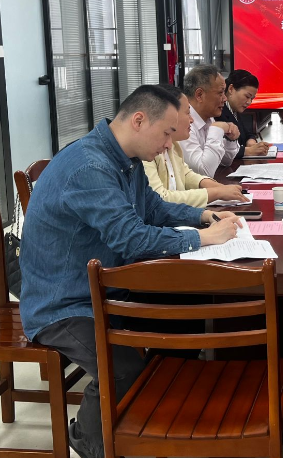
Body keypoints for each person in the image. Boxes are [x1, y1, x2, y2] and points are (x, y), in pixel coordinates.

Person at [19, 85, 242, 458]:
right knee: (121, 367)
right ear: (139, 120)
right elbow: (131, 238)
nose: (169, 145)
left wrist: (202, 215)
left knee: (185, 310)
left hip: (106, 288)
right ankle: (88, 441)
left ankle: (164, 412)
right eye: (167, 133)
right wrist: (202, 238)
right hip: (63, 305)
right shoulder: (90, 166)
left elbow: (151, 208)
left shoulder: (125, 158)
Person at [144, 85, 251, 207]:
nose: (192, 120)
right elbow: (160, 199)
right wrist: (216, 193)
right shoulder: (146, 151)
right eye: (188, 113)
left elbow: (185, 174)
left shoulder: (173, 144)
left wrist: (219, 187)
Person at [178, 64, 240, 177]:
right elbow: (203, 171)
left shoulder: (208, 118)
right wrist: (217, 129)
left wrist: (231, 140)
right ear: (199, 95)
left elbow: (225, 162)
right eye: (220, 93)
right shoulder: (183, 122)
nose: (225, 98)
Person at [215, 69, 271, 158]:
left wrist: (251, 142)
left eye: (252, 99)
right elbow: (218, 149)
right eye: (247, 96)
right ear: (231, 89)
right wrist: (248, 151)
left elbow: (247, 133)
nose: (249, 102)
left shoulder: (234, 110)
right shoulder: (218, 111)